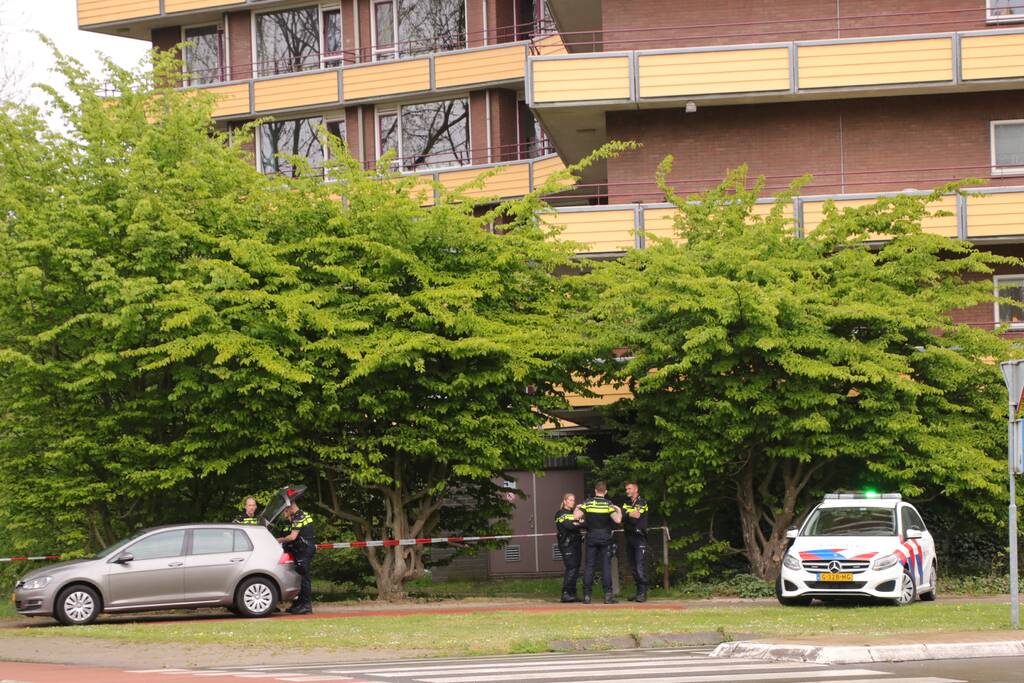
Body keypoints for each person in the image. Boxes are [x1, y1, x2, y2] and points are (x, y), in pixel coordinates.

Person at [575, 481, 622, 604]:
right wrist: (619, 510)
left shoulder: (588, 503)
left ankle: (587, 596)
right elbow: (617, 520)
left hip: (591, 536)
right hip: (605, 537)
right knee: (606, 566)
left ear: (595, 491)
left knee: (590, 566)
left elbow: (576, 516)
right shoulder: (608, 504)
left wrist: (577, 507)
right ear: (605, 492)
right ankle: (607, 596)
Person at [277, 499, 316, 614]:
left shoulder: (298, 518)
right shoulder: (304, 515)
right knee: (301, 578)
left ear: (290, 508)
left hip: (304, 550)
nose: (284, 513)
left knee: (304, 578)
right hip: (306, 548)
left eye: (285, 510)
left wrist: (280, 540)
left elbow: (293, 537)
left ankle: (306, 606)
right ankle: (300, 603)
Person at [622, 481, 650, 602]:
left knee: (639, 566)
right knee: (633, 567)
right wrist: (628, 514)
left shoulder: (642, 502)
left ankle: (643, 592)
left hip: (639, 538)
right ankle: (638, 591)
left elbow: (636, 517)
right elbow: (620, 517)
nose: (627, 491)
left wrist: (626, 515)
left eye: (629, 488)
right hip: (629, 538)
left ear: (636, 489)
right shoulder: (627, 503)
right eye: (626, 489)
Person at [555, 492, 583, 603]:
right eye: (570, 500)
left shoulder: (573, 513)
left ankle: (572, 593)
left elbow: (582, 524)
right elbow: (570, 526)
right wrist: (577, 522)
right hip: (567, 545)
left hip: (576, 544)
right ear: (565, 501)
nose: (572, 502)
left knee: (575, 569)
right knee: (571, 568)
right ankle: (565, 593)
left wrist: (577, 522)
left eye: (573, 500)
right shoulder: (560, 513)